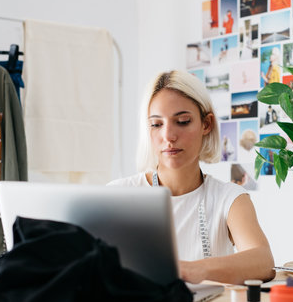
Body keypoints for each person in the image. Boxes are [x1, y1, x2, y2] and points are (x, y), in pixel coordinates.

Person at [108, 70, 275, 285]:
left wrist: (195, 269)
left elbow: (263, 261)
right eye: (157, 124)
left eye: (183, 121)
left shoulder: (230, 198)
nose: (168, 136)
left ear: (206, 124)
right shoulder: (117, 194)